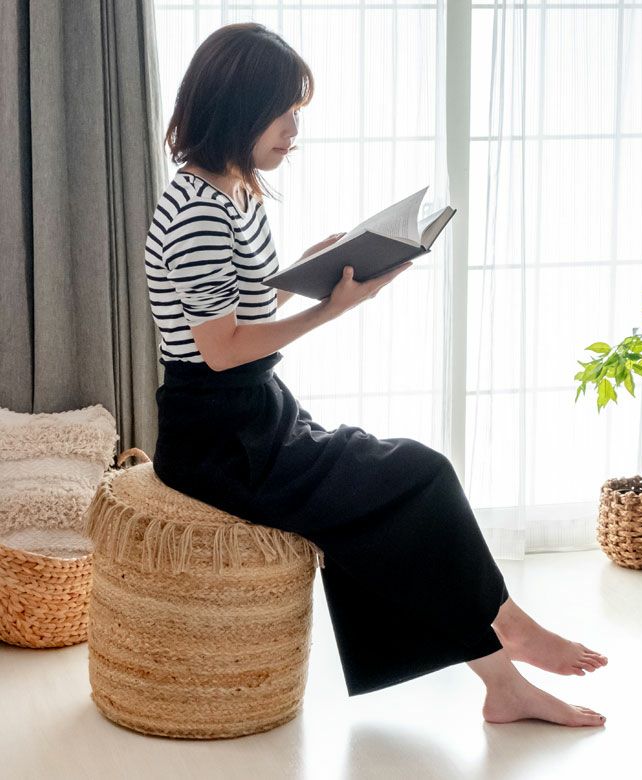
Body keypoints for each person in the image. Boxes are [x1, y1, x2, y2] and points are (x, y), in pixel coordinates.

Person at [146, 22, 609, 727]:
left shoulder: (234, 190)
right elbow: (221, 350)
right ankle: (507, 632)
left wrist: (306, 271)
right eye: (283, 112)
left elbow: (238, 310)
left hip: (253, 410)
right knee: (419, 474)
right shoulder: (197, 212)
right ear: (238, 108)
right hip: (218, 438)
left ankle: (502, 671)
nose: (294, 131)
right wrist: (331, 309)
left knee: (405, 486)